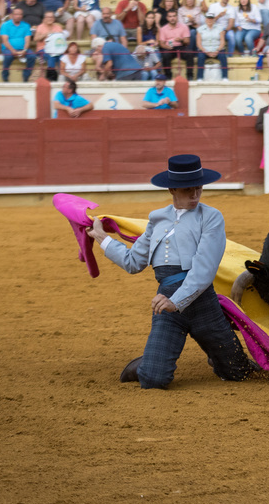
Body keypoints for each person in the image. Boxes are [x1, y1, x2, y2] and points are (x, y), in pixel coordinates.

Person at [87, 154, 257, 390]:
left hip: (202, 303)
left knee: (238, 373)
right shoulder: (157, 219)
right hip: (166, 302)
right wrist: (102, 239)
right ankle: (147, 362)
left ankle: (219, 355)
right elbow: (133, 262)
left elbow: (203, 270)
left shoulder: (211, 217)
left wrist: (175, 301)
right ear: (172, 189)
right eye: (188, 190)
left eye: (198, 188)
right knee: (154, 379)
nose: (195, 195)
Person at [0, 7, 36, 83]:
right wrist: (13, 51)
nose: (18, 16)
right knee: (8, 56)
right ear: (12, 15)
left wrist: (24, 50)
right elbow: (5, 40)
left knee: (32, 56)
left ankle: (26, 74)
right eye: (16, 14)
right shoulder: (5, 25)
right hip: (9, 49)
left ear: (22, 16)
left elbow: (27, 40)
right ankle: (5, 74)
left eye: (20, 14)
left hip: (22, 49)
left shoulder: (26, 25)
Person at [158, 8, 194, 80]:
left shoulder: (184, 26)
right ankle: (168, 76)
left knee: (189, 53)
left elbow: (187, 41)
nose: (172, 18)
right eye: (170, 16)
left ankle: (190, 76)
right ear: (167, 18)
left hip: (181, 46)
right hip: (169, 47)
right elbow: (161, 43)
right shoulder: (163, 29)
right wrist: (167, 47)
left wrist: (181, 40)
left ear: (177, 17)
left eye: (174, 16)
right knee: (165, 55)